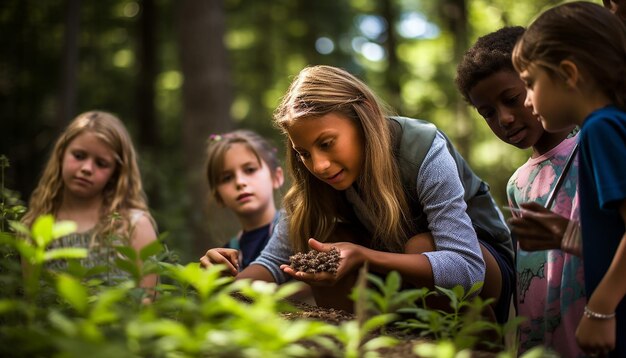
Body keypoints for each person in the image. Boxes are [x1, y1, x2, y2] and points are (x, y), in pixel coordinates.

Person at [201, 65, 515, 323]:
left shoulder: (423, 148)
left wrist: (364, 255)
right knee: (328, 248)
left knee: (420, 244)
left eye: (326, 143)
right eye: (304, 154)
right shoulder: (315, 182)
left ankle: (476, 343)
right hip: (400, 280)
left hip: (484, 269)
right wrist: (220, 286)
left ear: (363, 115)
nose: (319, 165)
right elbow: (273, 262)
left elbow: (467, 268)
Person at [456, 26, 586, 357]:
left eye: (511, 99)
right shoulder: (518, 183)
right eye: (487, 112)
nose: (504, 118)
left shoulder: (591, 146)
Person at [512, 2, 626, 356]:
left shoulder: (601, 129)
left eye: (530, 84)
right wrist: (572, 236)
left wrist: (601, 308)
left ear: (568, 73)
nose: (528, 102)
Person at [21, 110, 158, 297]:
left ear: (116, 173)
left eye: (101, 163)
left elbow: (149, 302)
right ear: (61, 153)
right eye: (79, 155)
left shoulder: (134, 226)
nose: (86, 168)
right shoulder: (36, 225)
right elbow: (30, 302)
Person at [203, 130, 285, 273]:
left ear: (276, 177)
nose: (240, 182)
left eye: (250, 170)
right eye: (227, 178)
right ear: (219, 197)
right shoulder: (224, 257)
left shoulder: (300, 229)